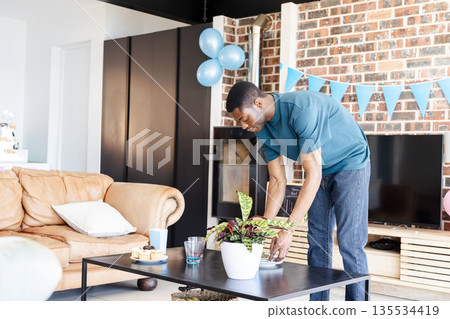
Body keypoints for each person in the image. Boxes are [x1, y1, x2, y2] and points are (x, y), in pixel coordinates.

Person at [226, 81, 370, 301]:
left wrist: (289, 229)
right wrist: (263, 228)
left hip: (350, 162)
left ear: (257, 103)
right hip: (321, 169)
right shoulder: (262, 129)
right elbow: (276, 180)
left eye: (244, 118)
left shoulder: (302, 110)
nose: (244, 126)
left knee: (349, 242)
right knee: (317, 242)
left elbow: (312, 174)